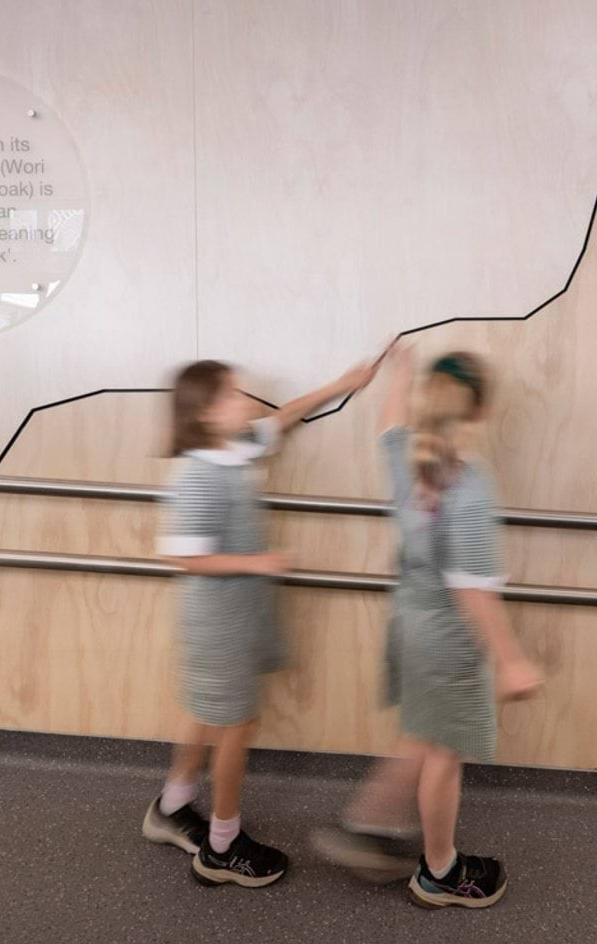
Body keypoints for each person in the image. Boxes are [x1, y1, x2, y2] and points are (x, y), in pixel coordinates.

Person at [314, 343, 543, 908]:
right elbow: (471, 590)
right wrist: (512, 659)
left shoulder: (407, 459)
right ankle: (440, 871)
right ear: (479, 413)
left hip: (409, 625)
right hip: (448, 640)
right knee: (443, 749)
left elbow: (388, 425)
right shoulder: (467, 487)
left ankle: (368, 822)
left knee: (421, 735)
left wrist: (400, 375)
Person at [143, 356, 377, 887]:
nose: (246, 403)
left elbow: (283, 418)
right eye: (232, 396)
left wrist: (341, 383)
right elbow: (182, 556)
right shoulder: (196, 473)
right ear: (203, 414)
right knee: (235, 726)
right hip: (217, 624)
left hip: (241, 616)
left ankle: (171, 807)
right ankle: (221, 848)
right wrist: (259, 563)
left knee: (211, 713)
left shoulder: (237, 446)